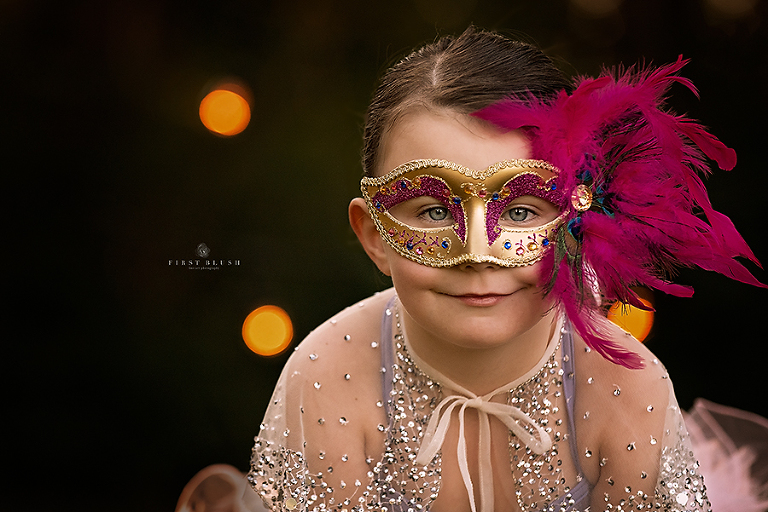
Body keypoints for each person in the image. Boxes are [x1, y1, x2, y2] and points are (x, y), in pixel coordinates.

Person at [245, 27, 765, 512]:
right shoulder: (327, 376)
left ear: (579, 219)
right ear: (374, 235)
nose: (478, 251)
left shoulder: (626, 389)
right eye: (432, 210)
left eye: (519, 211)